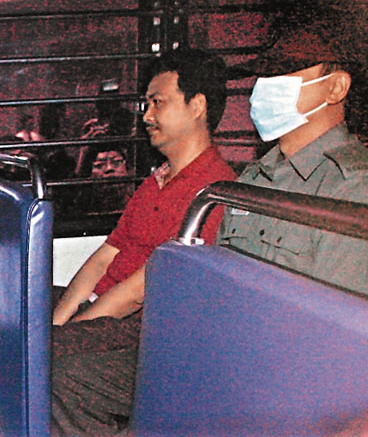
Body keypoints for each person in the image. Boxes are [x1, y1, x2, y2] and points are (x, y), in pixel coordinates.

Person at [51, 48, 236, 436]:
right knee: (16, 311)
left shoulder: (213, 192)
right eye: (146, 104)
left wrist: (67, 332)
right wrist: (57, 319)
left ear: (197, 106)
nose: (147, 115)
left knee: (50, 363)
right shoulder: (157, 180)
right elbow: (106, 255)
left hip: (141, 326)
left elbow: (139, 292)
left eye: (158, 103)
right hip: (103, 306)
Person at [218, 17, 368, 302]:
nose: (264, 88)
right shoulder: (254, 176)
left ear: (336, 87)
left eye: (283, 74)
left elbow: (343, 319)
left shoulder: (357, 188)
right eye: (264, 76)